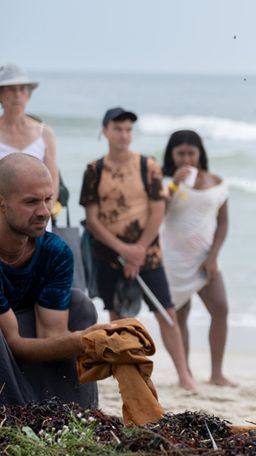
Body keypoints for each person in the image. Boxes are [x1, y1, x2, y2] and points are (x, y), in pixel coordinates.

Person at [80, 107, 199, 392]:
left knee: (166, 312)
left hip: (148, 254)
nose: (124, 135)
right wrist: (123, 250)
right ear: (105, 131)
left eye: (128, 129)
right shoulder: (94, 170)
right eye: (118, 129)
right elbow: (93, 220)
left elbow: (158, 211)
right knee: (117, 316)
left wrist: (138, 250)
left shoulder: (148, 166)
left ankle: (185, 376)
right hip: (108, 255)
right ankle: (126, 375)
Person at [0, 153, 102, 406]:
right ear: (1, 203)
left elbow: (52, 336)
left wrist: (92, 342)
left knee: (80, 304)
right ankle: (14, 414)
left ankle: (74, 413)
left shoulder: (55, 251)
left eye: (48, 199)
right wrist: (82, 341)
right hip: (5, 342)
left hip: (22, 332)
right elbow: (13, 343)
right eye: (31, 202)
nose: (44, 212)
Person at [160, 130, 235, 387]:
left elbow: (223, 222)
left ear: (200, 153)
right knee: (180, 316)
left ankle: (217, 373)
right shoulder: (164, 182)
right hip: (173, 259)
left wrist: (213, 256)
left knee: (221, 308)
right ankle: (186, 374)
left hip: (205, 258)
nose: (186, 159)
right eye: (180, 153)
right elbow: (159, 214)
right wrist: (175, 185)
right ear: (171, 154)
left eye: (191, 153)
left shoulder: (216, 181)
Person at [0, 65, 59, 216]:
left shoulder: (45, 132)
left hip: (39, 216)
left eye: (22, 89)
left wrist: (45, 212)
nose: (17, 95)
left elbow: (53, 179)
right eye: (11, 89)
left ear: (28, 94)